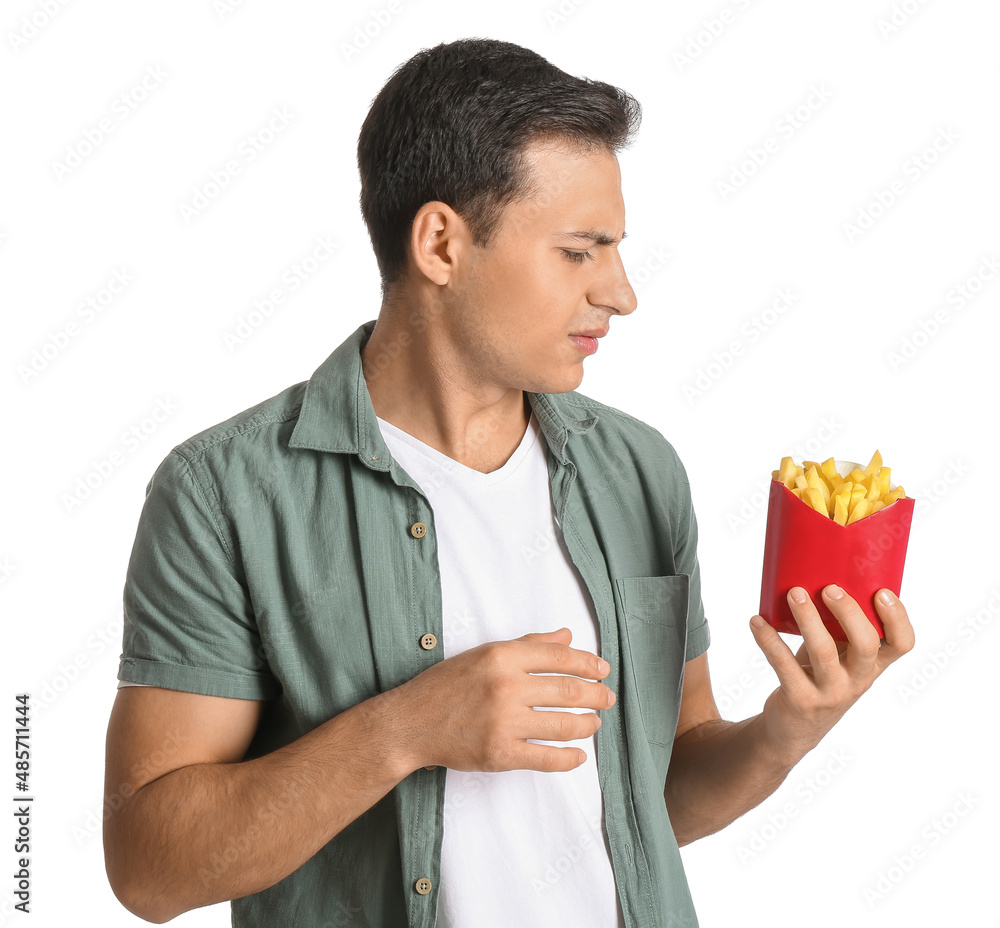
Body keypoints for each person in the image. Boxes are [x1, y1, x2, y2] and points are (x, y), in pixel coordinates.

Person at [103, 37, 915, 927]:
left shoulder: (639, 471)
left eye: (616, 249)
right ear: (442, 244)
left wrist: (787, 731)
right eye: (580, 251)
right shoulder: (225, 494)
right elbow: (151, 869)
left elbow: (656, 795)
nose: (623, 292)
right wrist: (405, 730)